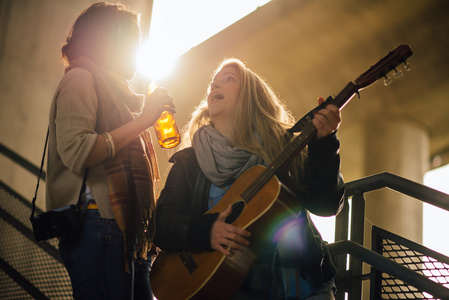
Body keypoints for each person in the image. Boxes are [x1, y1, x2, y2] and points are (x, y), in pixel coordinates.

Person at [154, 58, 345, 299]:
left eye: (229, 79)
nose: (215, 86)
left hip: (304, 289)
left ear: (252, 97)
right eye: (212, 84)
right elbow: (162, 227)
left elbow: (326, 205)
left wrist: (326, 143)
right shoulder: (189, 162)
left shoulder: (285, 147)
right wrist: (206, 231)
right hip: (233, 289)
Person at [46, 2, 174, 299]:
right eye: (134, 41)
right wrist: (143, 121)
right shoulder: (80, 79)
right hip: (98, 224)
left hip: (127, 231)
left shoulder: (120, 99)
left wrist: (145, 119)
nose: (138, 50)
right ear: (109, 42)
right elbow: (77, 151)